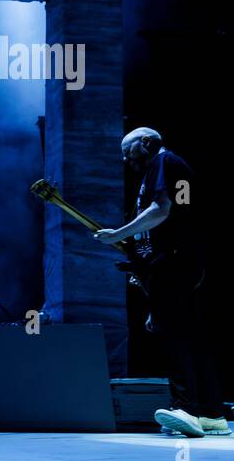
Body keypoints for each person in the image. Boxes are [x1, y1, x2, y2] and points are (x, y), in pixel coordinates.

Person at [94, 127, 226, 437]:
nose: (127, 160)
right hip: (178, 265)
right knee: (192, 337)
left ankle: (187, 409)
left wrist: (118, 234)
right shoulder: (166, 167)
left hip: (175, 264)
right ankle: (212, 413)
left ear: (147, 142)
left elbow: (161, 210)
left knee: (177, 339)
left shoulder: (165, 162)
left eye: (130, 152)